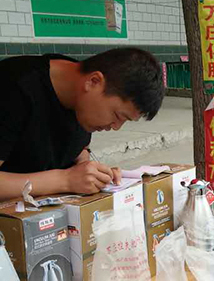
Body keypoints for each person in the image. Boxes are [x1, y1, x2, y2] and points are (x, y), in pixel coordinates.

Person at [0, 48, 164, 201]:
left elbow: (77, 149)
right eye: (117, 115)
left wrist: (91, 173)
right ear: (93, 81)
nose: (115, 127)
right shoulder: (14, 88)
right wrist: (65, 180)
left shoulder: (82, 102)